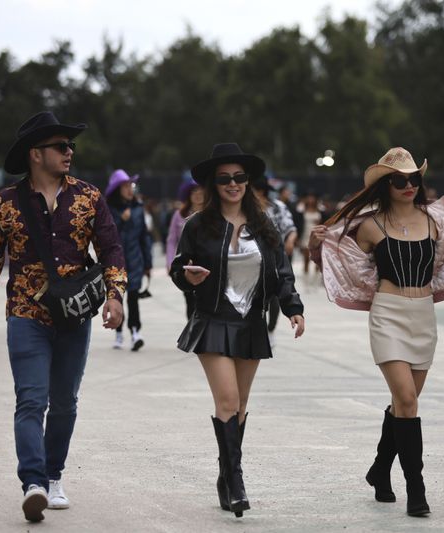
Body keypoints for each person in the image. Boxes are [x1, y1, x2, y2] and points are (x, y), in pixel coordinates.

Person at [0, 111, 126, 522]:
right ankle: (33, 482)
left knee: (65, 404)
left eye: (70, 146)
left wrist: (116, 295)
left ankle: (54, 476)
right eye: (61, 146)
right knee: (31, 400)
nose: (69, 152)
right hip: (25, 314)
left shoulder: (89, 197)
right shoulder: (5, 203)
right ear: (36, 154)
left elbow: (110, 248)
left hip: (75, 317)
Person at [309, 147, 444, 517]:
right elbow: (342, 257)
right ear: (385, 185)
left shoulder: (437, 220)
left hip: (424, 316)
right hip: (388, 314)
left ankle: (379, 470)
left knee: (404, 403)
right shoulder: (369, 224)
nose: (408, 185)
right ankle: (417, 490)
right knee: (408, 402)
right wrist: (316, 243)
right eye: (399, 180)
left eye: (414, 179)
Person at [169, 143, 305, 518]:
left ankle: (225, 475)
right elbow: (178, 268)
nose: (233, 184)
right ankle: (238, 481)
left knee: (241, 406)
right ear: (214, 183)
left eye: (239, 177)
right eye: (225, 178)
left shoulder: (265, 225)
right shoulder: (198, 224)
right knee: (227, 401)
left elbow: (281, 272)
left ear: (248, 181)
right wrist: (187, 275)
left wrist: (293, 308)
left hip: (250, 323)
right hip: (212, 319)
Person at [105, 169, 153, 350]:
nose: (129, 189)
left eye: (131, 186)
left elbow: (144, 238)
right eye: (125, 186)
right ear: (117, 189)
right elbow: (106, 236)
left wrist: (147, 263)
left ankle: (135, 332)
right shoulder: (108, 210)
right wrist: (121, 220)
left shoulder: (138, 209)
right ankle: (118, 333)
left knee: (133, 297)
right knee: (117, 297)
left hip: (135, 261)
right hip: (115, 263)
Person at [252, 176, 297, 346]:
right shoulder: (244, 209)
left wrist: (291, 240)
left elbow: (290, 227)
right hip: (255, 259)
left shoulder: (278, 207)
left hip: (277, 256)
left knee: (275, 296)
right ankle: (259, 328)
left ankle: (270, 329)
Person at [166, 178, 205, 319]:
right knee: (190, 301)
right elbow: (171, 240)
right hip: (185, 264)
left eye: (201, 190)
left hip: (206, 264)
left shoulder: (212, 214)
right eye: (194, 191)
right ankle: (192, 330)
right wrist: (170, 262)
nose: (198, 194)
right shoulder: (180, 215)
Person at [297, 192, 323, 277]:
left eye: (312, 198)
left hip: (317, 234)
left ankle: (316, 277)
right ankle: (305, 276)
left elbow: (325, 220)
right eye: (309, 198)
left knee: (318, 258)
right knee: (306, 257)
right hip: (306, 233)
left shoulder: (320, 209)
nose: (310, 200)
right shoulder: (302, 209)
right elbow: (298, 221)